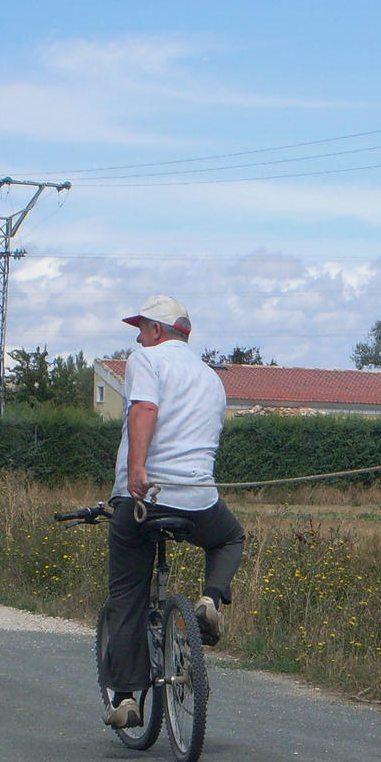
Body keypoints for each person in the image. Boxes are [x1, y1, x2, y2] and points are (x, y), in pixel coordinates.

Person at [100, 294, 245, 729]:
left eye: (141, 328)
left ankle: (125, 699)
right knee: (229, 537)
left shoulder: (145, 359)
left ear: (158, 331)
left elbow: (144, 409)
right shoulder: (211, 379)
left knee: (127, 592)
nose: (138, 337)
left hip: (144, 498)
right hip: (198, 499)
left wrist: (138, 468)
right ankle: (209, 601)